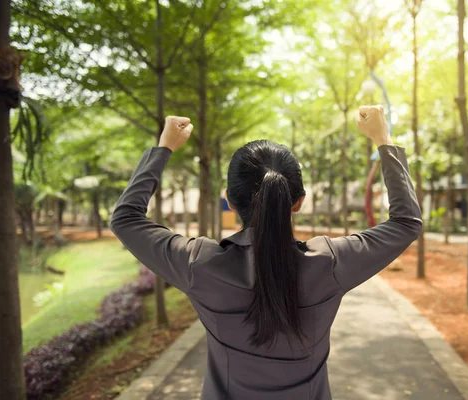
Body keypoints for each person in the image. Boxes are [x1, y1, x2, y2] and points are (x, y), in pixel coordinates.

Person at [110, 106, 422, 400]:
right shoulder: (329, 263)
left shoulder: (199, 265)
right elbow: (406, 222)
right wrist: (383, 139)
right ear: (298, 201)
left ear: (229, 202)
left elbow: (125, 219)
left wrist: (164, 147)